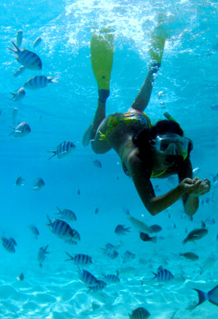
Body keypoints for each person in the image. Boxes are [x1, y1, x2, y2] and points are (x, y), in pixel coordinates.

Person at [82, 27, 210, 216]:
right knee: (96, 146)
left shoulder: (182, 160)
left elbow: (190, 211)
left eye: (178, 146)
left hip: (139, 121)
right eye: (166, 145)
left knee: (136, 111)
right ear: (152, 144)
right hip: (113, 125)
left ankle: (153, 70)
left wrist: (194, 194)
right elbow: (152, 207)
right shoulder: (137, 158)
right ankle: (102, 96)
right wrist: (183, 189)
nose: (173, 153)